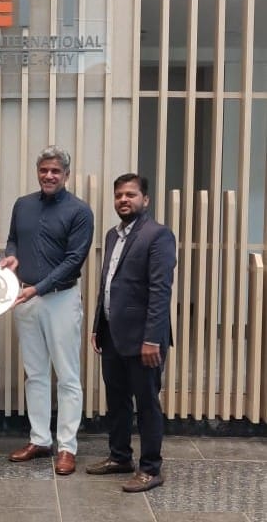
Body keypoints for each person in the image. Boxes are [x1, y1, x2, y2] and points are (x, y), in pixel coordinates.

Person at [0, 145, 94, 476]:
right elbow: (13, 239)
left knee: (67, 376)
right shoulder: (22, 205)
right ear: (37, 172)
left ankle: (67, 447)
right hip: (25, 297)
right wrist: (12, 256)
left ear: (66, 174)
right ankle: (40, 440)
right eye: (44, 170)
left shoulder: (80, 211)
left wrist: (37, 288)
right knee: (35, 374)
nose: (49, 175)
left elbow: (74, 260)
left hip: (60, 299)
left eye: (55, 171)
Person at [86, 173, 176, 492]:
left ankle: (151, 468)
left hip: (144, 340)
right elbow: (107, 284)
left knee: (147, 403)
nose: (124, 200)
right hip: (112, 334)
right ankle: (120, 456)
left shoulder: (158, 235)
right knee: (117, 400)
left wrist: (152, 338)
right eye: (119, 195)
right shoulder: (113, 235)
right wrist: (98, 326)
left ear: (145, 199)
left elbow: (160, 291)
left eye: (131, 194)